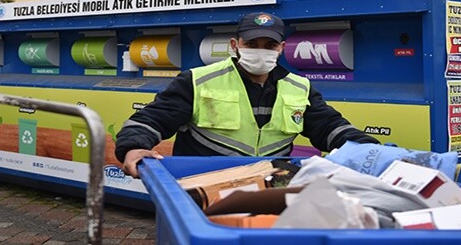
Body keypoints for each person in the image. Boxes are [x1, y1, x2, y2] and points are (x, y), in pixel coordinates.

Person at [115, 12, 379, 177]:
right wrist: (134, 147)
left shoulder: (300, 87)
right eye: (251, 44)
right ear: (235, 45)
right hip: (203, 182)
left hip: (269, 183)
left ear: (281, 48)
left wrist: (371, 152)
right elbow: (151, 119)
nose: (260, 51)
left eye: (269, 45)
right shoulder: (197, 80)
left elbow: (330, 127)